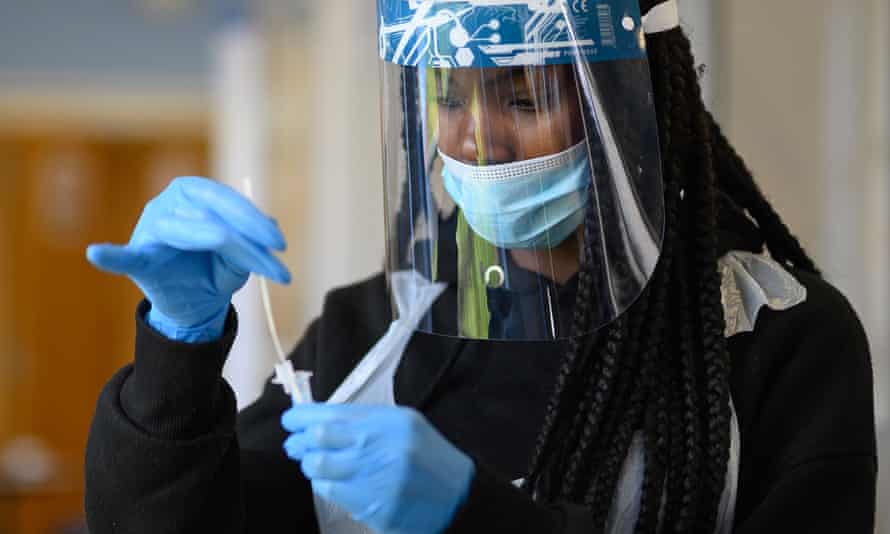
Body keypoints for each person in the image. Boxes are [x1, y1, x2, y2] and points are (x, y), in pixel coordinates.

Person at [83, 1, 876, 533]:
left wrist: (475, 514)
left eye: (524, 99)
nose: (474, 141)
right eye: (449, 97)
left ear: (631, 111)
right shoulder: (366, 332)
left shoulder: (781, 339)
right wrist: (177, 349)